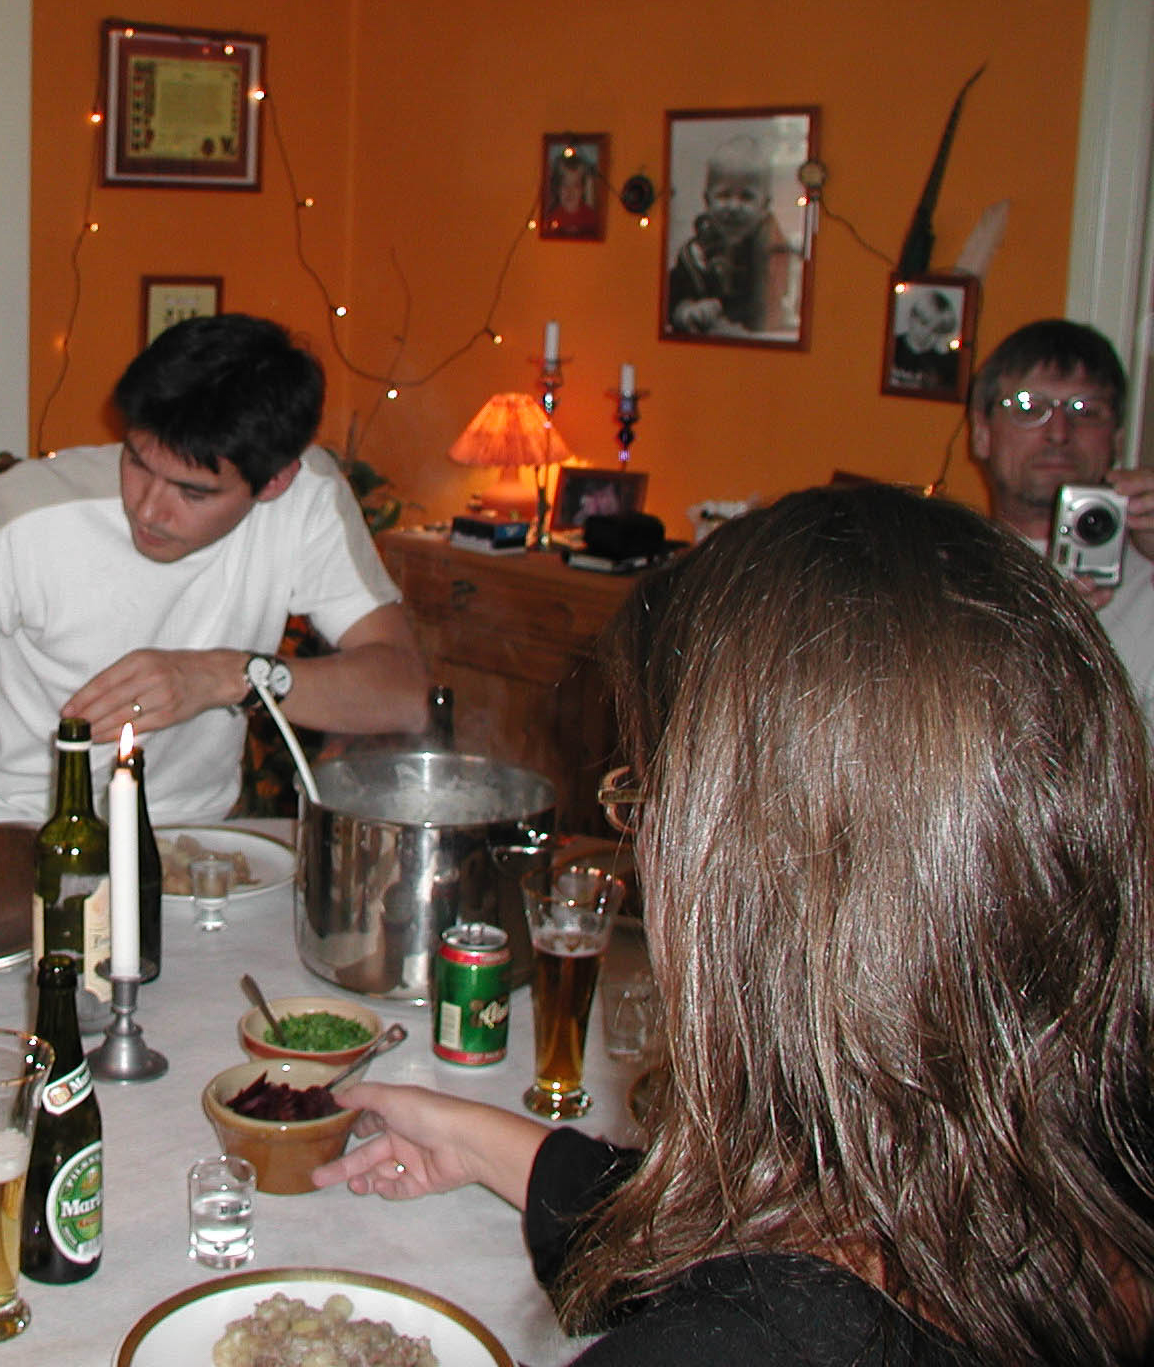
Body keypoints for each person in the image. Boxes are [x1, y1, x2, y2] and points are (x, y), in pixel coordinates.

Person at [315, 484, 1154, 1364]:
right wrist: (501, 1152)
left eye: (645, 796)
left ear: (757, 875)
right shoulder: (1074, 1196)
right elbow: (784, 1235)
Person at [0, 313, 429, 826]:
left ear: (274, 482)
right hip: (7, 823)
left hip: (188, 832)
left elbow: (403, 694)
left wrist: (227, 676)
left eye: (192, 493)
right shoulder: (25, 511)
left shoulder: (308, 501)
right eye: (138, 462)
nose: (147, 509)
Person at [968, 317, 1154, 718]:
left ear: (1117, 438)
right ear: (982, 433)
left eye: (1085, 410)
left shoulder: (1147, 578)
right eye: (1028, 407)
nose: (1058, 432)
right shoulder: (946, 573)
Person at [665, 137, 796, 337]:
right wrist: (686, 311)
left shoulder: (772, 249)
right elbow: (672, 297)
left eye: (746, 196)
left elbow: (772, 302)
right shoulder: (694, 253)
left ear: (765, 205)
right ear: (707, 200)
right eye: (724, 195)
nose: (734, 206)